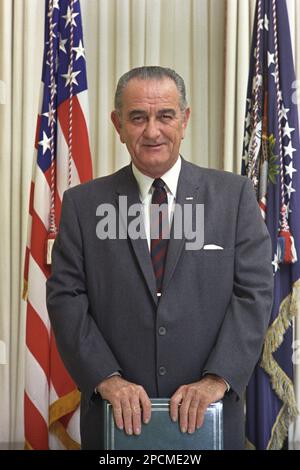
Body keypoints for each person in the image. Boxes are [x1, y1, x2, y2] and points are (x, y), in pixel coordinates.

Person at [46, 66, 273, 450]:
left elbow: (254, 294)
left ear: (184, 120)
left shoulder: (234, 197)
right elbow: (66, 298)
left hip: (210, 418)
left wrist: (218, 378)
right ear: (118, 125)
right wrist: (107, 378)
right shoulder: (83, 206)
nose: (152, 131)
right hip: (114, 420)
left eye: (165, 115)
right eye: (138, 117)